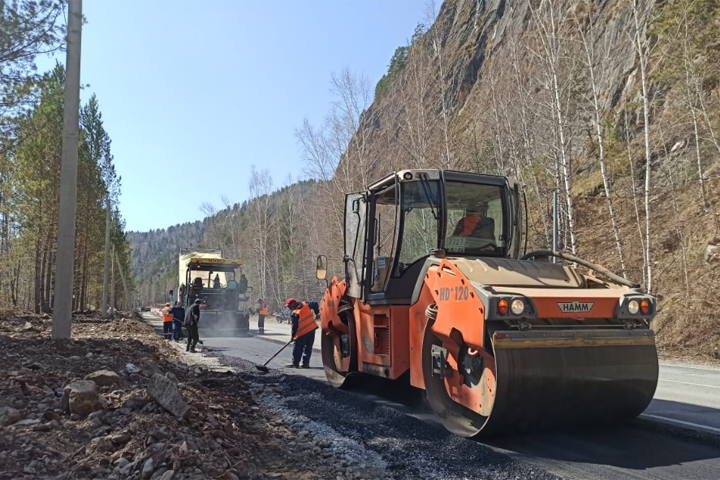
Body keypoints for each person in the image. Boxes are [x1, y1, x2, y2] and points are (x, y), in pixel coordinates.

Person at [285, 298, 319, 369]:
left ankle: (295, 363)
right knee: (308, 347)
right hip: (311, 330)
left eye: (289, 306)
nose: (289, 308)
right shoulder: (306, 304)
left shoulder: (295, 313)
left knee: (298, 347)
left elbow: (294, 327)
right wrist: (317, 313)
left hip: (302, 333)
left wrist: (293, 336)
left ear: (293, 304)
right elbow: (315, 303)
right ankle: (306, 363)